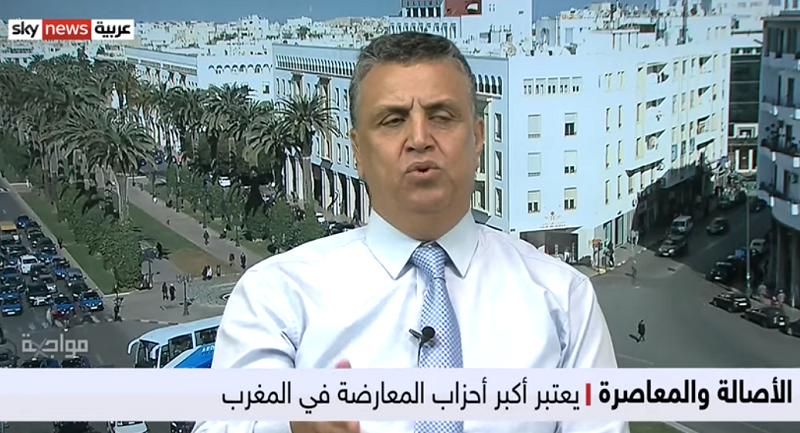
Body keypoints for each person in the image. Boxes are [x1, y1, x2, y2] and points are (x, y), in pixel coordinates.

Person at [194, 32, 625, 433]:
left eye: (442, 117)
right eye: (393, 120)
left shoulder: (563, 299)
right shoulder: (278, 296)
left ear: (478, 138)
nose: (419, 138)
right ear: (358, 151)